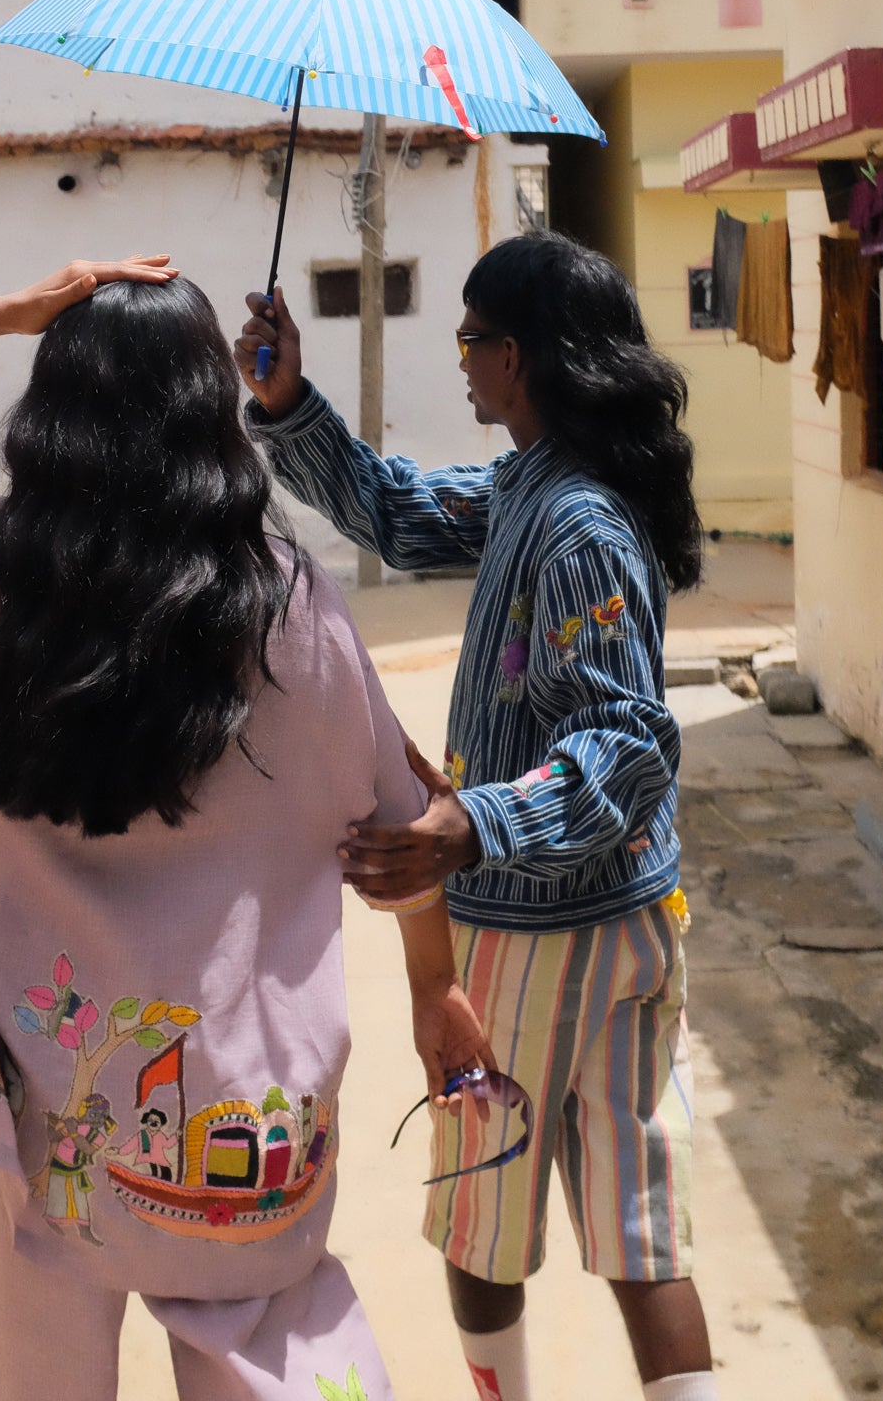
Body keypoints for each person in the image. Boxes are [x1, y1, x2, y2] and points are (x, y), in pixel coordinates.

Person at [0, 255, 489, 1401]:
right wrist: (433, 985)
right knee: (286, 1351)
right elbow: (402, 836)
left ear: (51, 405)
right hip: (233, 1126)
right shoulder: (290, 604)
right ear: (209, 406)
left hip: (30, 1122)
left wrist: (8, 305)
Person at [237, 231, 719, 1401]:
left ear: (519, 356)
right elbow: (398, 512)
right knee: (637, 1224)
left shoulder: (579, 525)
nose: (458, 364)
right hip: (625, 921)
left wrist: (470, 826)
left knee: (482, 1212)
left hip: (539, 938)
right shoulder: (533, 486)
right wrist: (287, 399)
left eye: (467, 340)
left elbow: (626, 742)